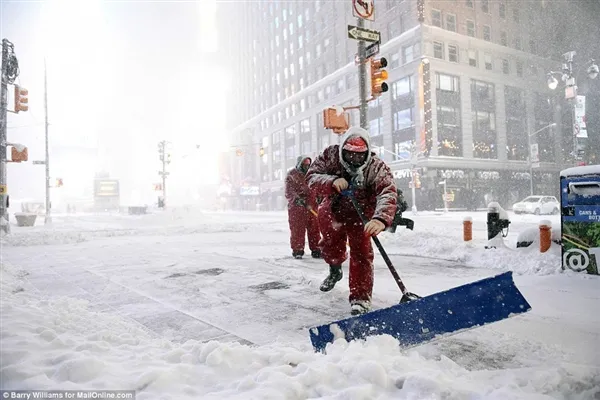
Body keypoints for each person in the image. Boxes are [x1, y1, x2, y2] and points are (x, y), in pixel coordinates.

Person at [306, 127, 397, 315]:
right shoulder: (330, 156)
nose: (354, 160)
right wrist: (331, 181)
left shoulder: (376, 167)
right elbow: (312, 176)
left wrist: (380, 219)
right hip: (334, 208)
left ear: (367, 154)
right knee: (331, 243)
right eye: (350, 155)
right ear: (342, 151)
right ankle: (334, 268)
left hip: (361, 214)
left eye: (359, 156)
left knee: (362, 253)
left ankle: (360, 299)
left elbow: (387, 192)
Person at [284, 156, 322, 259]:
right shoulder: (292, 175)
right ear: (300, 164)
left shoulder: (312, 175)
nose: (307, 167)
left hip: (312, 207)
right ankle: (298, 250)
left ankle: (316, 249)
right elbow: (289, 191)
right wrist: (297, 199)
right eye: (304, 165)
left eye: (308, 165)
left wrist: (319, 197)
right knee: (298, 230)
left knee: (314, 229)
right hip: (297, 209)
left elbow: (317, 188)